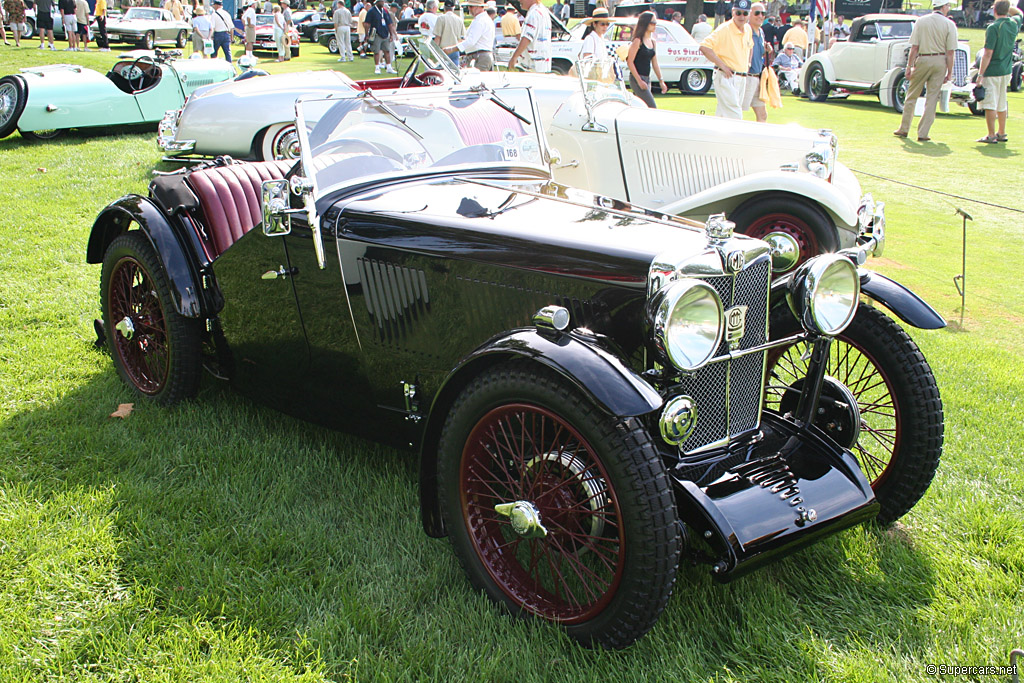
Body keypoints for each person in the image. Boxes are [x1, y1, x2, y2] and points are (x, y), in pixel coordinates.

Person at [893, 0, 957, 142]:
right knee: (932, 98)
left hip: (923, 58)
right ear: (944, 6)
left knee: (912, 95)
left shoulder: (921, 21)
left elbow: (914, 48)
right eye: (948, 6)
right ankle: (923, 132)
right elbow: (950, 52)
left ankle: (904, 128)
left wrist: (909, 66)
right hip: (940, 61)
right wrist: (950, 72)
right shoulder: (949, 24)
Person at [976, 0, 1023, 143]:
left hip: (993, 70)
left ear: (995, 10)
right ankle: (1002, 132)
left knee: (990, 103)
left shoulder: (993, 27)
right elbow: (1019, 13)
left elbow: (988, 53)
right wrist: (1009, 8)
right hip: (1006, 69)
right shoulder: (1013, 23)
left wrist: (980, 74)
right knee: (1002, 102)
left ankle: (991, 135)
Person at [700, 0, 754, 119]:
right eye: (738, 13)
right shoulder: (724, 29)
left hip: (742, 77)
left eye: (745, 14)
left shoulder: (748, 29)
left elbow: (750, 46)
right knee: (735, 115)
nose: (741, 16)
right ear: (733, 12)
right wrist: (722, 66)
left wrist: (748, 64)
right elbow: (704, 47)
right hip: (726, 76)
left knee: (724, 116)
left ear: (749, 15)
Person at [626, 11, 667, 107]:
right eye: (652, 23)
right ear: (645, 24)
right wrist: (639, 81)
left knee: (641, 107)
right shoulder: (637, 41)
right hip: (637, 78)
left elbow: (654, 62)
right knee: (652, 107)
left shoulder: (652, 42)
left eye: (655, 23)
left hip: (647, 78)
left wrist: (661, 81)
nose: (655, 25)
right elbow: (630, 62)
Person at [448, 0, 494, 69]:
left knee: (476, 79)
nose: (469, 8)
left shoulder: (480, 21)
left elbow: (471, 41)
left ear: (479, 7)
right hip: (480, 55)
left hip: (480, 56)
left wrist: (452, 49)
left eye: (471, 6)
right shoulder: (481, 19)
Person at [507, 0, 550, 72]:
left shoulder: (533, 14)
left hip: (532, 66)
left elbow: (526, 38)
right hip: (543, 65)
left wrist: (514, 57)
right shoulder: (544, 11)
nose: (519, 0)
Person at [743, 1, 768, 121]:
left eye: (763, 13)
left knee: (763, 114)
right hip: (746, 77)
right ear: (749, 15)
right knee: (738, 112)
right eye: (757, 13)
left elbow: (759, 53)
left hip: (758, 77)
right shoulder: (745, 30)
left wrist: (767, 49)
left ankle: (760, 139)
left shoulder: (761, 32)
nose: (760, 16)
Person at [365, 0, 397, 73]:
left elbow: (389, 23)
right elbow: (367, 23)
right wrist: (367, 34)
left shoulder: (385, 11)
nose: (382, 3)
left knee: (387, 50)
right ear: (377, 2)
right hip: (376, 33)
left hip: (385, 33)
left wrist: (391, 34)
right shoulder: (371, 11)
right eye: (381, 1)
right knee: (376, 51)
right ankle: (377, 67)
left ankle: (388, 67)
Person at [432, 0, 462, 64]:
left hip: (443, 50)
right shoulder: (459, 20)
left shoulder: (440, 18)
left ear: (444, 8)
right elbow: (461, 39)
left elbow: (438, 37)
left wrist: (434, 51)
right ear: (453, 8)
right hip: (455, 49)